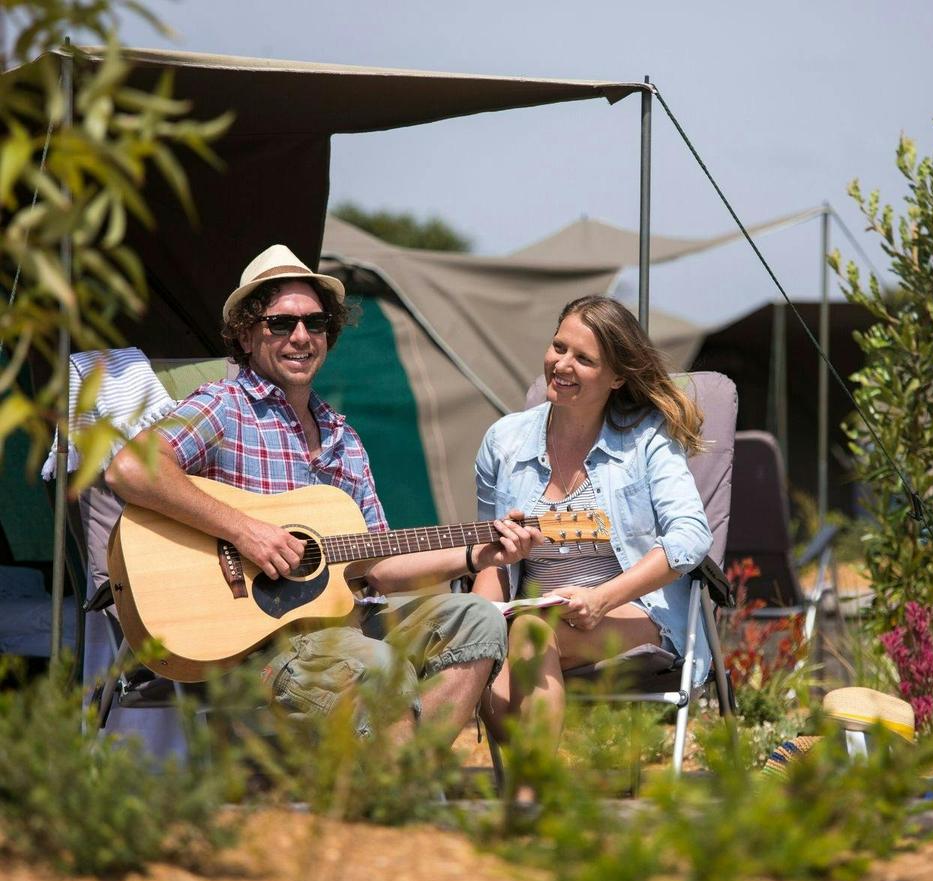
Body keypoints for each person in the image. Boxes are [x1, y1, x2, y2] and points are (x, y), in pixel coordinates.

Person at [106, 244, 539, 739]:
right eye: (280, 323)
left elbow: (377, 562)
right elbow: (129, 469)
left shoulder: (343, 438)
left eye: (314, 324)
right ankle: (401, 789)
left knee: (479, 617)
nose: (300, 337)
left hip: (344, 633)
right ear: (247, 334)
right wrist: (245, 532)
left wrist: (477, 554)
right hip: (260, 647)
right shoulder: (224, 406)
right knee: (376, 663)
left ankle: (407, 774)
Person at [473, 295, 712, 745]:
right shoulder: (503, 441)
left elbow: (690, 536)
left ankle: (534, 799)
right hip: (526, 613)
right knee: (492, 694)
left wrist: (600, 598)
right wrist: (481, 623)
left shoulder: (647, 440)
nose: (562, 364)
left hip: (629, 610)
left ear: (618, 376)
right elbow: (492, 559)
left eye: (584, 359)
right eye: (559, 347)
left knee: (530, 635)